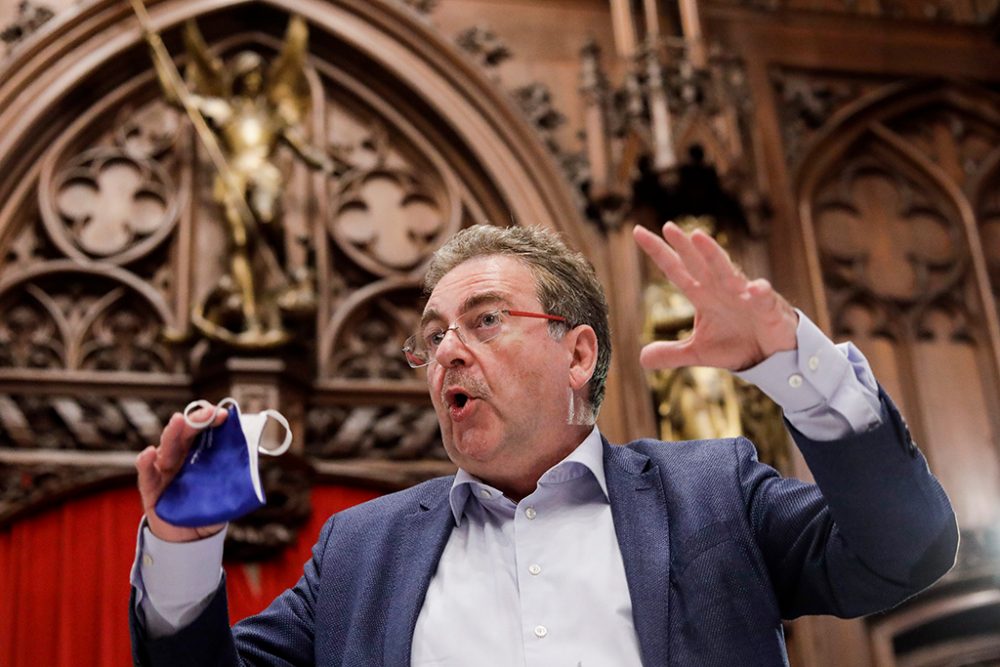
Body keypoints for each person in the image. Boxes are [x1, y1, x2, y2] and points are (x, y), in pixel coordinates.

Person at [129, 222, 958, 666]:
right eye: (433, 336)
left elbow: (904, 550)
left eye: (484, 319)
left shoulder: (713, 492)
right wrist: (181, 547)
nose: (447, 349)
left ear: (579, 352)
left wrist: (793, 364)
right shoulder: (360, 551)